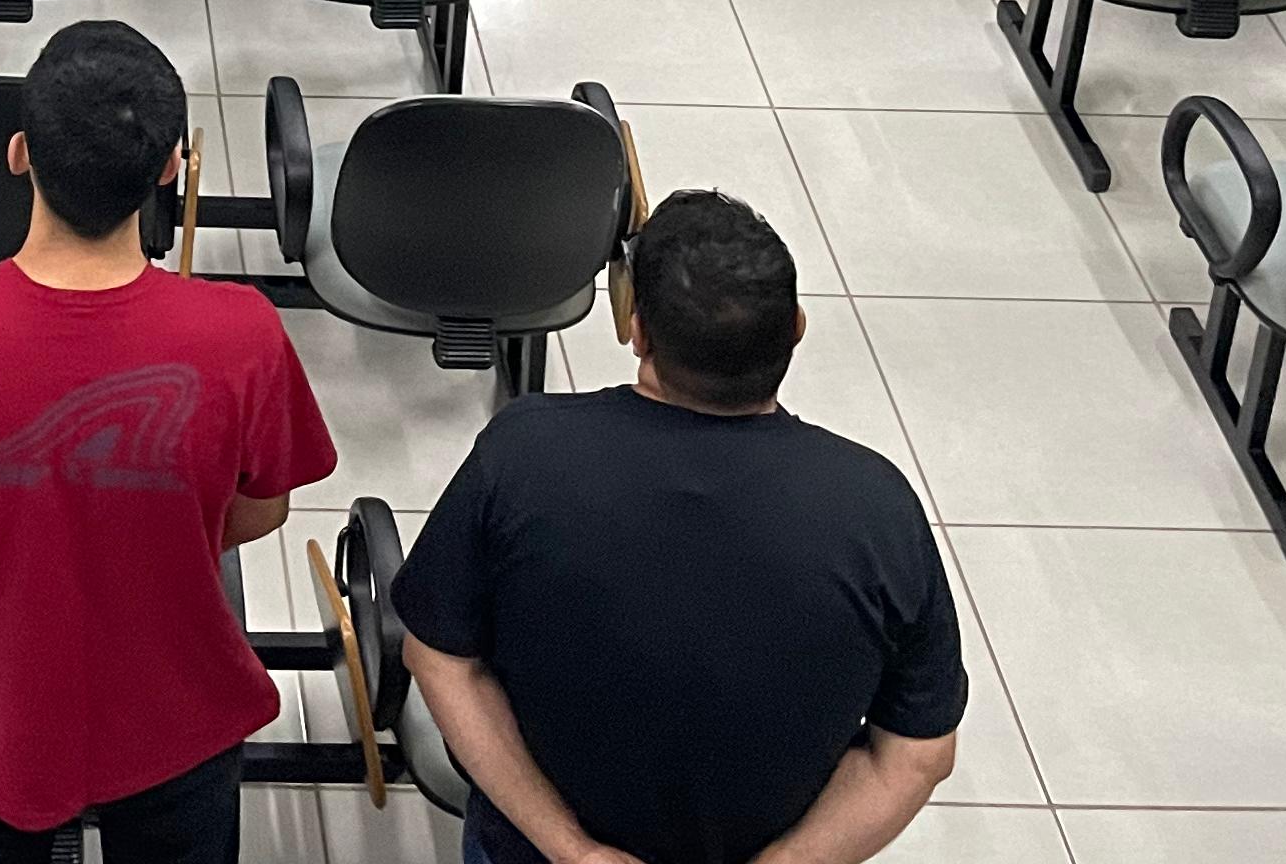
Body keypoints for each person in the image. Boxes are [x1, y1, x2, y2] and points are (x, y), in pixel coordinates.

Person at [0, 17, 335, 864]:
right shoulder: (243, 331)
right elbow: (262, 510)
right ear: (171, 167)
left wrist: (8, 500)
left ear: (19, 154)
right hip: (181, 720)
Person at [391, 189, 965, 864]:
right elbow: (918, 754)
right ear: (797, 329)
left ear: (638, 332)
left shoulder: (524, 455)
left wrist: (573, 851)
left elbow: (437, 656)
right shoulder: (879, 508)